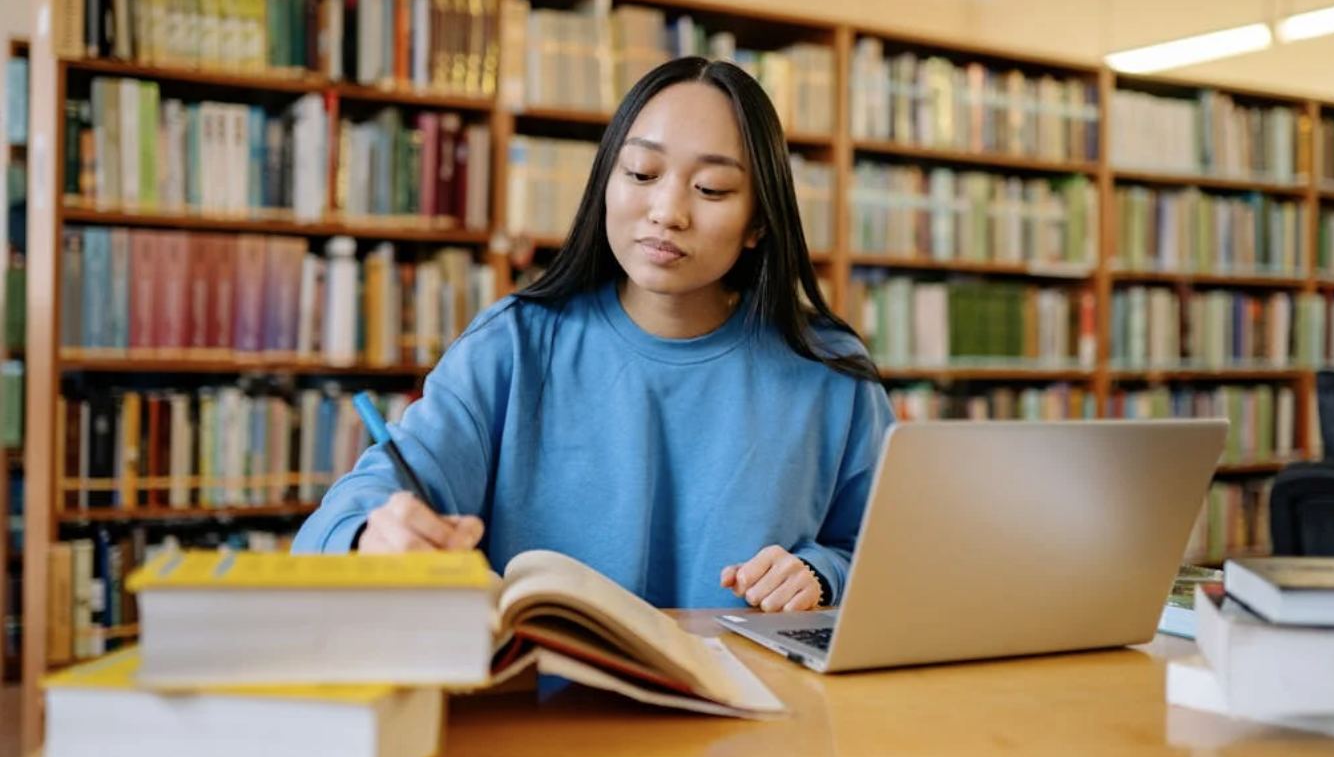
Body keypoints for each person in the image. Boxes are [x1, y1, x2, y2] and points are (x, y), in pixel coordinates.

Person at [292, 55, 894, 612]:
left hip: (759, 714)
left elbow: (894, 558)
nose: (667, 210)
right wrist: (372, 533)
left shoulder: (829, 370)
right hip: (543, 712)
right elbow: (353, 508)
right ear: (606, 179)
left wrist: (820, 575)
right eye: (640, 173)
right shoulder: (514, 345)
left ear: (760, 220)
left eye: (711, 188)